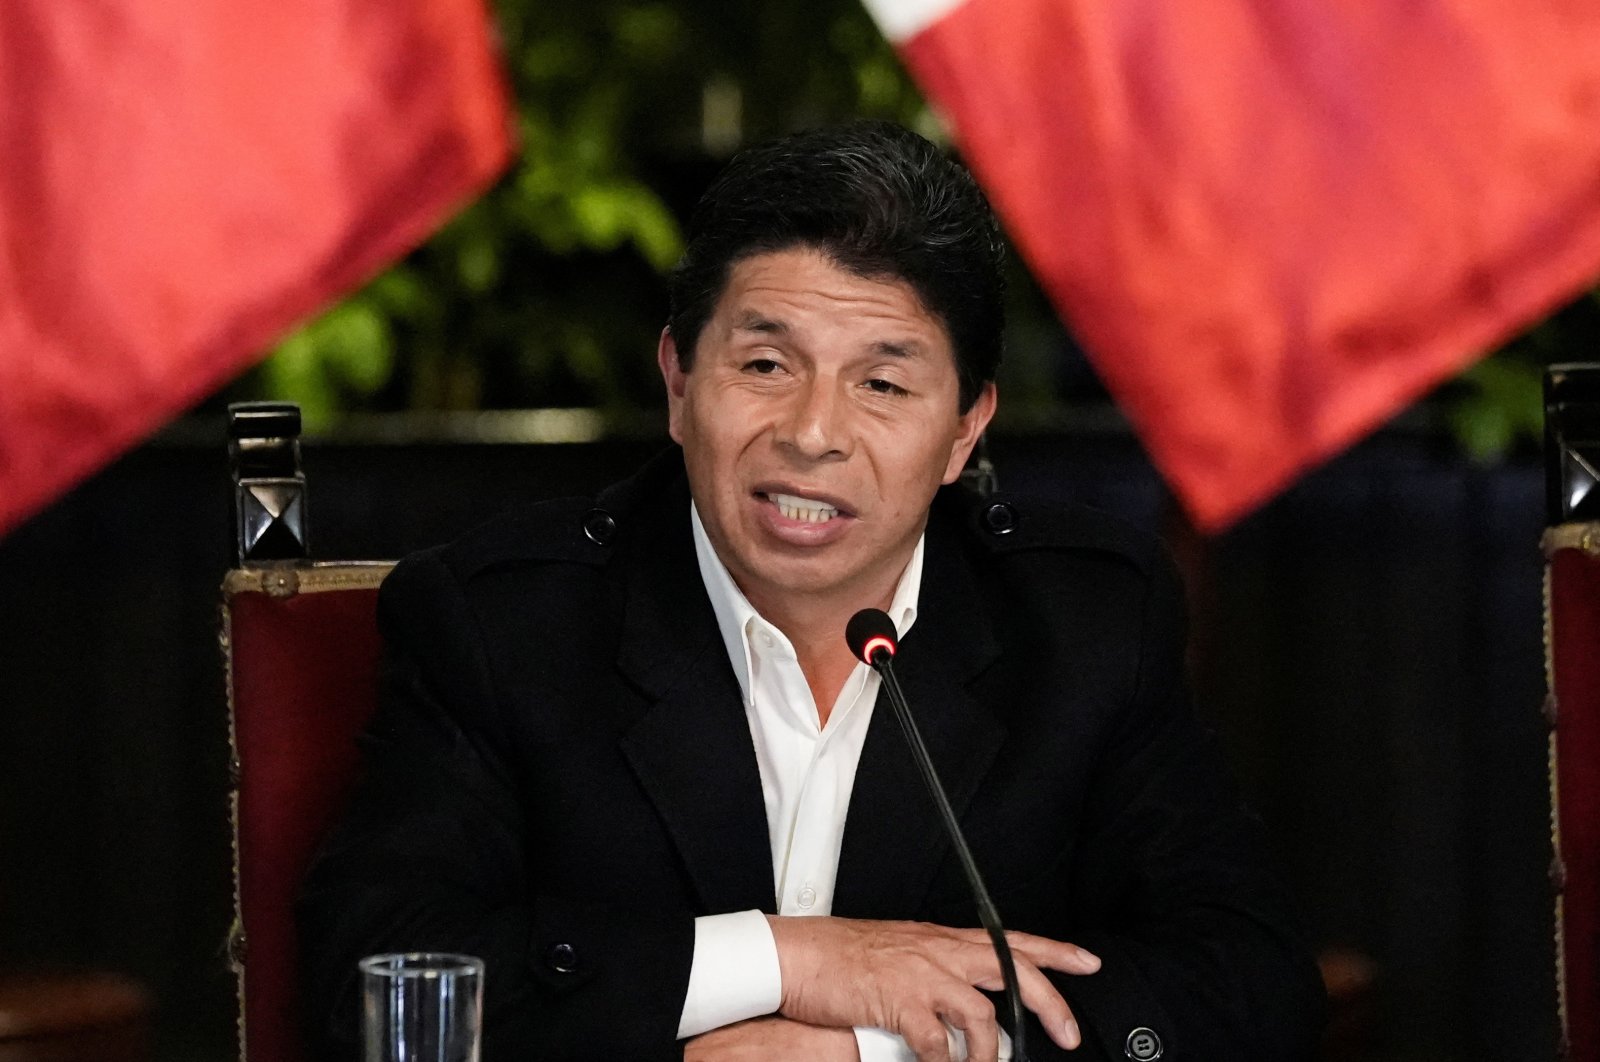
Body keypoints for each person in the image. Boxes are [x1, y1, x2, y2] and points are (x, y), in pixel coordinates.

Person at [298, 120, 1324, 1062]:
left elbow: (1247, 988)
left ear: (965, 429)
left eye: (882, 384)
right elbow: (377, 981)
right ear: (677, 382)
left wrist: (878, 1053)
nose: (812, 432)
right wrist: (787, 959)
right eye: (765, 363)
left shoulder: (1082, 623)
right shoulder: (506, 622)